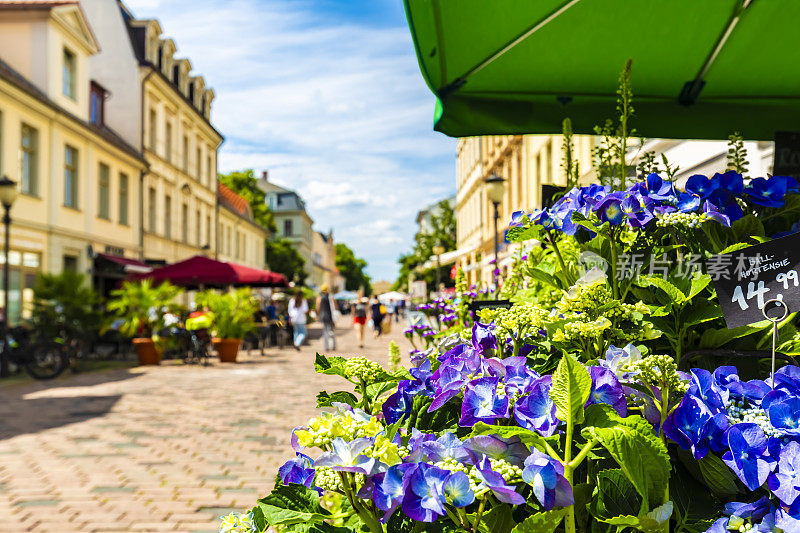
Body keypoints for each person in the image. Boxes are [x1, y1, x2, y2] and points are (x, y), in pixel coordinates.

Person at [316, 285, 336, 351]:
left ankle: (326, 347)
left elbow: (318, 306)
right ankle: (332, 346)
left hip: (324, 316)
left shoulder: (319, 297)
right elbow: (335, 306)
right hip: (330, 316)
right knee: (331, 331)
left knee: (325, 331)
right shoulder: (330, 296)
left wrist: (318, 315)